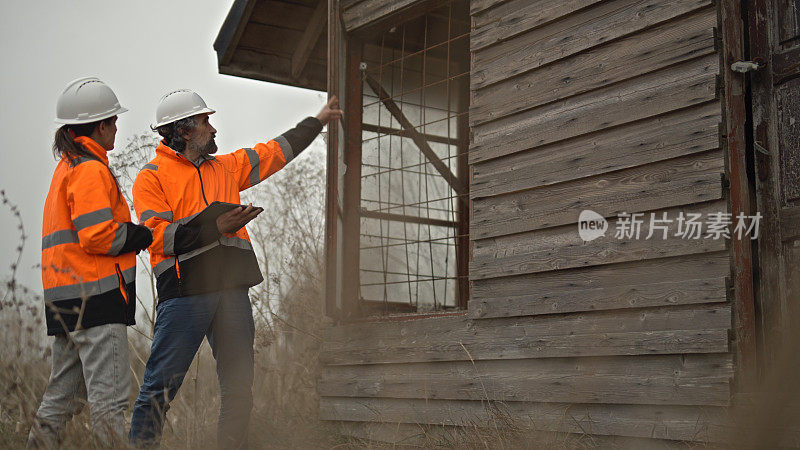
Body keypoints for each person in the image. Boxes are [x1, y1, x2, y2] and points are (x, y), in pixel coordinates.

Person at [129, 89, 342, 448]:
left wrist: (318, 120)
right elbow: (156, 238)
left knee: (240, 388)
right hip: (184, 297)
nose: (212, 129)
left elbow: (276, 151)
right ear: (183, 131)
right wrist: (216, 227)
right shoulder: (151, 178)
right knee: (158, 389)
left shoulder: (227, 166)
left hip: (232, 293)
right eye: (204, 122)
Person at [28, 77, 154, 448]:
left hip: (67, 304)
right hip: (97, 304)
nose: (116, 127)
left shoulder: (66, 169)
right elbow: (97, 235)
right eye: (112, 121)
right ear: (99, 126)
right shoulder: (90, 171)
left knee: (59, 403)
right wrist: (137, 234)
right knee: (110, 407)